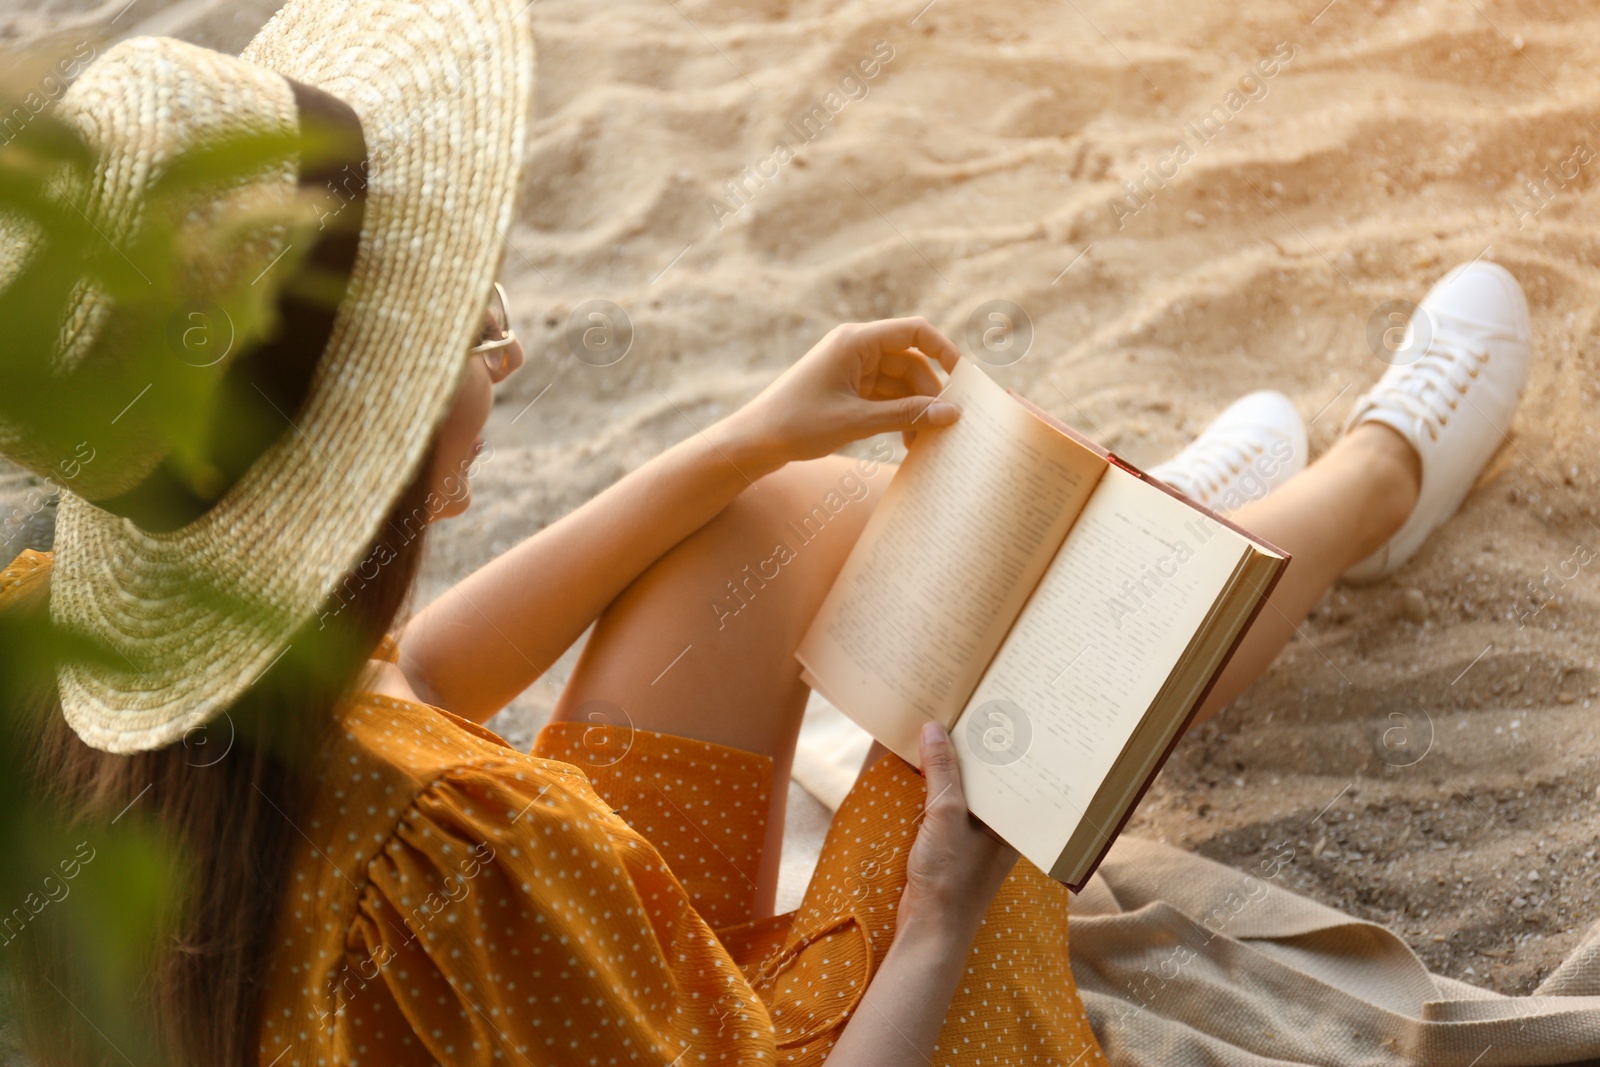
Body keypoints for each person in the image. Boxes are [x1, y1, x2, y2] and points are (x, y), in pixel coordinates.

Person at [0, 1, 1534, 1064]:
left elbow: (423, 679)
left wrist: (733, 440)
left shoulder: (65, 658)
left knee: (769, 516)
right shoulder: (486, 870)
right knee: (1044, 673)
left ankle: (1162, 530)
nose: (503, 359)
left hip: (595, 1018)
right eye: (463, 336)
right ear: (377, 452)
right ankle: (1371, 485)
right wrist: (942, 909)